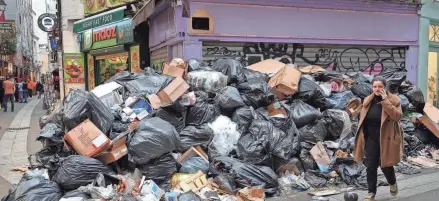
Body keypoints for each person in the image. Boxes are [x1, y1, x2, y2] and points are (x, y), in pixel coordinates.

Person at [353, 76, 403, 201]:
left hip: (387, 137)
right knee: (370, 166)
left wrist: (385, 100)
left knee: (385, 165)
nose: (377, 89)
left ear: (384, 87)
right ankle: (371, 194)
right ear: (372, 87)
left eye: (380, 86)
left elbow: (397, 116)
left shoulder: (394, 100)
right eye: (375, 86)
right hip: (371, 137)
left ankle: (392, 182)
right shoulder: (368, 101)